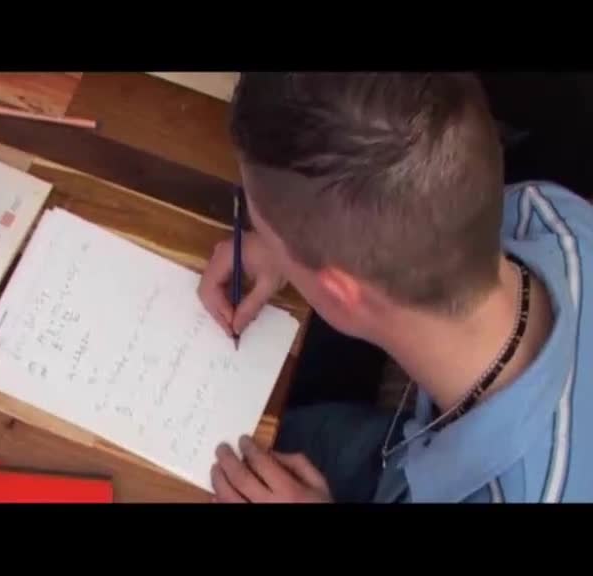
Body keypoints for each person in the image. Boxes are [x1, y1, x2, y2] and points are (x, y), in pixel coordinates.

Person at [197, 73, 593, 503]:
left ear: (340, 293)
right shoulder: (550, 215)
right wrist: (292, 250)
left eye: (264, 230)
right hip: (413, 446)